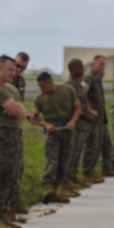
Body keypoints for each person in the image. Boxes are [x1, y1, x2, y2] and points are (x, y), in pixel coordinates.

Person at [0, 55, 35, 228]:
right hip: (2, 137)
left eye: (15, 69)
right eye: (10, 70)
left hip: (12, 136)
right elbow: (18, 110)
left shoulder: (9, 88)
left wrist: (17, 109)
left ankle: (3, 215)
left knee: (9, 177)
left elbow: (20, 109)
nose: (14, 73)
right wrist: (17, 110)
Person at [31, 72, 81, 203]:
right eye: (39, 86)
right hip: (52, 132)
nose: (42, 89)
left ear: (50, 82)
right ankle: (48, 187)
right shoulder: (40, 98)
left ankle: (60, 187)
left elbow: (77, 107)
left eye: (43, 86)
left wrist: (73, 121)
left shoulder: (67, 90)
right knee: (52, 160)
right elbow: (34, 118)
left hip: (67, 130)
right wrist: (45, 124)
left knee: (65, 161)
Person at [81, 54, 114, 179]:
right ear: (93, 65)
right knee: (92, 145)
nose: (103, 67)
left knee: (106, 143)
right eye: (100, 64)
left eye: (104, 64)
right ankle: (87, 171)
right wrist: (89, 109)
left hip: (101, 119)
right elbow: (82, 92)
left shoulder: (97, 79)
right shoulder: (89, 78)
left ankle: (106, 167)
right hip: (92, 120)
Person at [64, 58, 94, 188]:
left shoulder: (78, 85)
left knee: (77, 153)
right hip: (74, 125)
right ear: (72, 69)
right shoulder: (70, 86)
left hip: (81, 126)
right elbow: (73, 106)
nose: (82, 70)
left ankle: (73, 177)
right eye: (79, 67)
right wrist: (86, 117)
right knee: (71, 154)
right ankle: (66, 180)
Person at [8, 52, 31, 221]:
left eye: (22, 67)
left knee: (18, 167)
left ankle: (14, 204)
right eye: (17, 66)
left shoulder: (20, 81)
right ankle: (3, 209)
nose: (18, 70)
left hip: (17, 127)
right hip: (5, 128)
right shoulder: (4, 82)